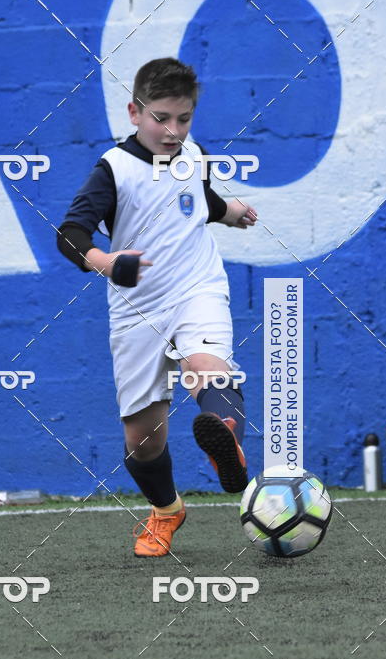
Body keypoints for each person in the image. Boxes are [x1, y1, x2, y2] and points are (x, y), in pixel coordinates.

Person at [57, 57, 257, 557]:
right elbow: (71, 234)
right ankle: (167, 509)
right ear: (134, 112)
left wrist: (230, 213)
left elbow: (198, 199)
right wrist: (107, 261)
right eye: (161, 118)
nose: (172, 130)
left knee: (207, 366)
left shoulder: (194, 155)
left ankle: (225, 436)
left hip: (197, 288)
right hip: (136, 309)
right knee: (142, 437)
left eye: (183, 119)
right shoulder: (113, 169)